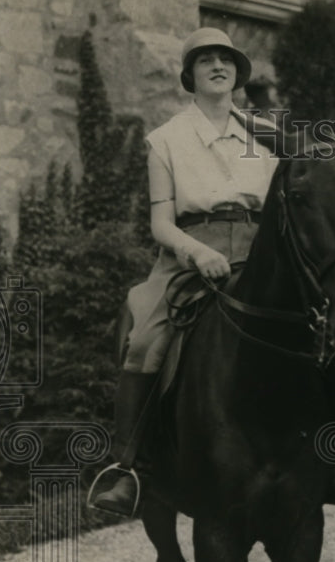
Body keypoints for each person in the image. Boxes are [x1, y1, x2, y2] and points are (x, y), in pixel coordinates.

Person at [91, 28, 278, 516]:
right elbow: (160, 224)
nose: (218, 66)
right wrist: (198, 253)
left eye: (226, 59)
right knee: (145, 340)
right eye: (205, 60)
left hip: (261, 250)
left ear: (237, 72)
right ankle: (130, 467)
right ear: (189, 75)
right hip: (190, 255)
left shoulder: (265, 134)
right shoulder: (166, 139)